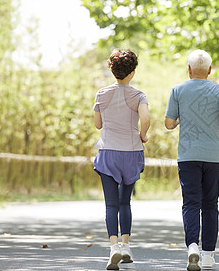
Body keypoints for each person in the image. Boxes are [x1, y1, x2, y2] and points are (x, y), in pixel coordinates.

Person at [164, 49, 219, 271]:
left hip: (187, 156)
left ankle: (193, 246)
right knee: (210, 204)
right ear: (209, 70)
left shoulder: (178, 89)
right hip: (214, 155)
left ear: (188, 70)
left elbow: (168, 123)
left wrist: (179, 121)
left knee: (191, 203)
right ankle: (207, 256)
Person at [93, 49, 150, 270]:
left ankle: (114, 247)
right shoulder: (139, 95)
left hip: (108, 153)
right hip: (131, 152)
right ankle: (126, 247)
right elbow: (145, 117)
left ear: (112, 70)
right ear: (132, 72)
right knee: (125, 202)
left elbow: (98, 125)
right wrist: (143, 135)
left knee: (110, 204)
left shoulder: (101, 94)